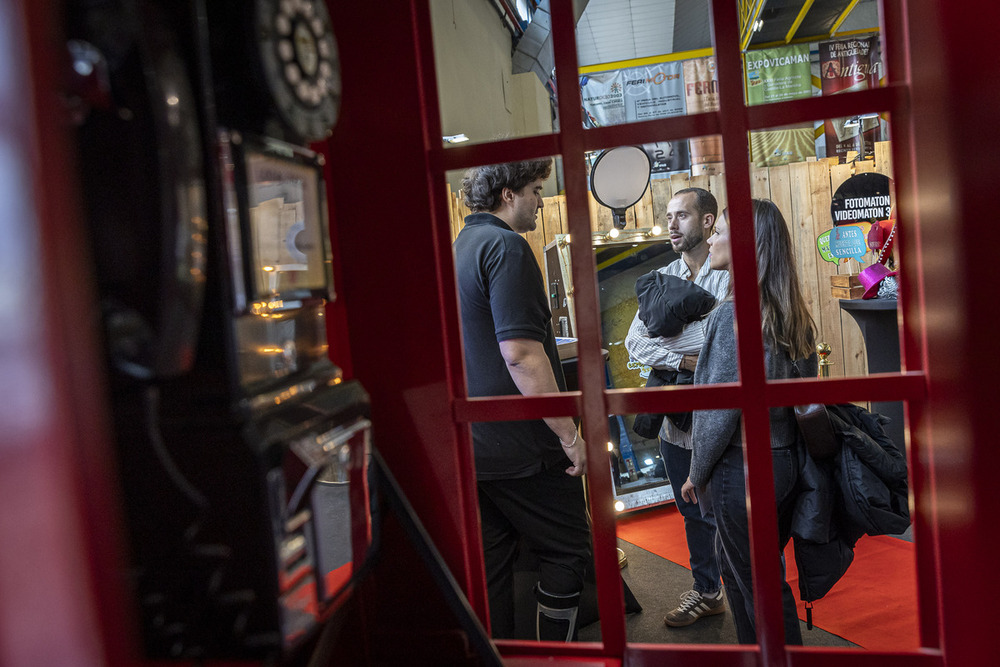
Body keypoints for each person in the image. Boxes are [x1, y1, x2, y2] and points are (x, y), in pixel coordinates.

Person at [453, 158, 591, 642]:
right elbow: (522, 354)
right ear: (507, 194)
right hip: (523, 445)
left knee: (493, 562)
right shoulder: (506, 246)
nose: (539, 201)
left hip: (476, 442)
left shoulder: (461, 246)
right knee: (569, 552)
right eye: (535, 189)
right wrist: (569, 435)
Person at [681, 199, 818, 644]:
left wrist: (697, 472)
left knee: (755, 586)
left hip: (739, 470)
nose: (712, 237)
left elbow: (719, 410)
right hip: (783, 464)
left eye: (719, 230)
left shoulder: (732, 316)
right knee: (748, 575)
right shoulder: (791, 315)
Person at [624, 187, 730, 627]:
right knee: (690, 513)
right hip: (675, 423)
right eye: (668, 216)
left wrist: (671, 342)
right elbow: (634, 342)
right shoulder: (660, 276)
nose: (671, 224)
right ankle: (708, 591)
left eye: (681, 216)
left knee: (729, 509)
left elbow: (725, 339)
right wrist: (683, 357)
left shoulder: (728, 274)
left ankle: (749, 591)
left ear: (707, 222)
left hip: (721, 419)